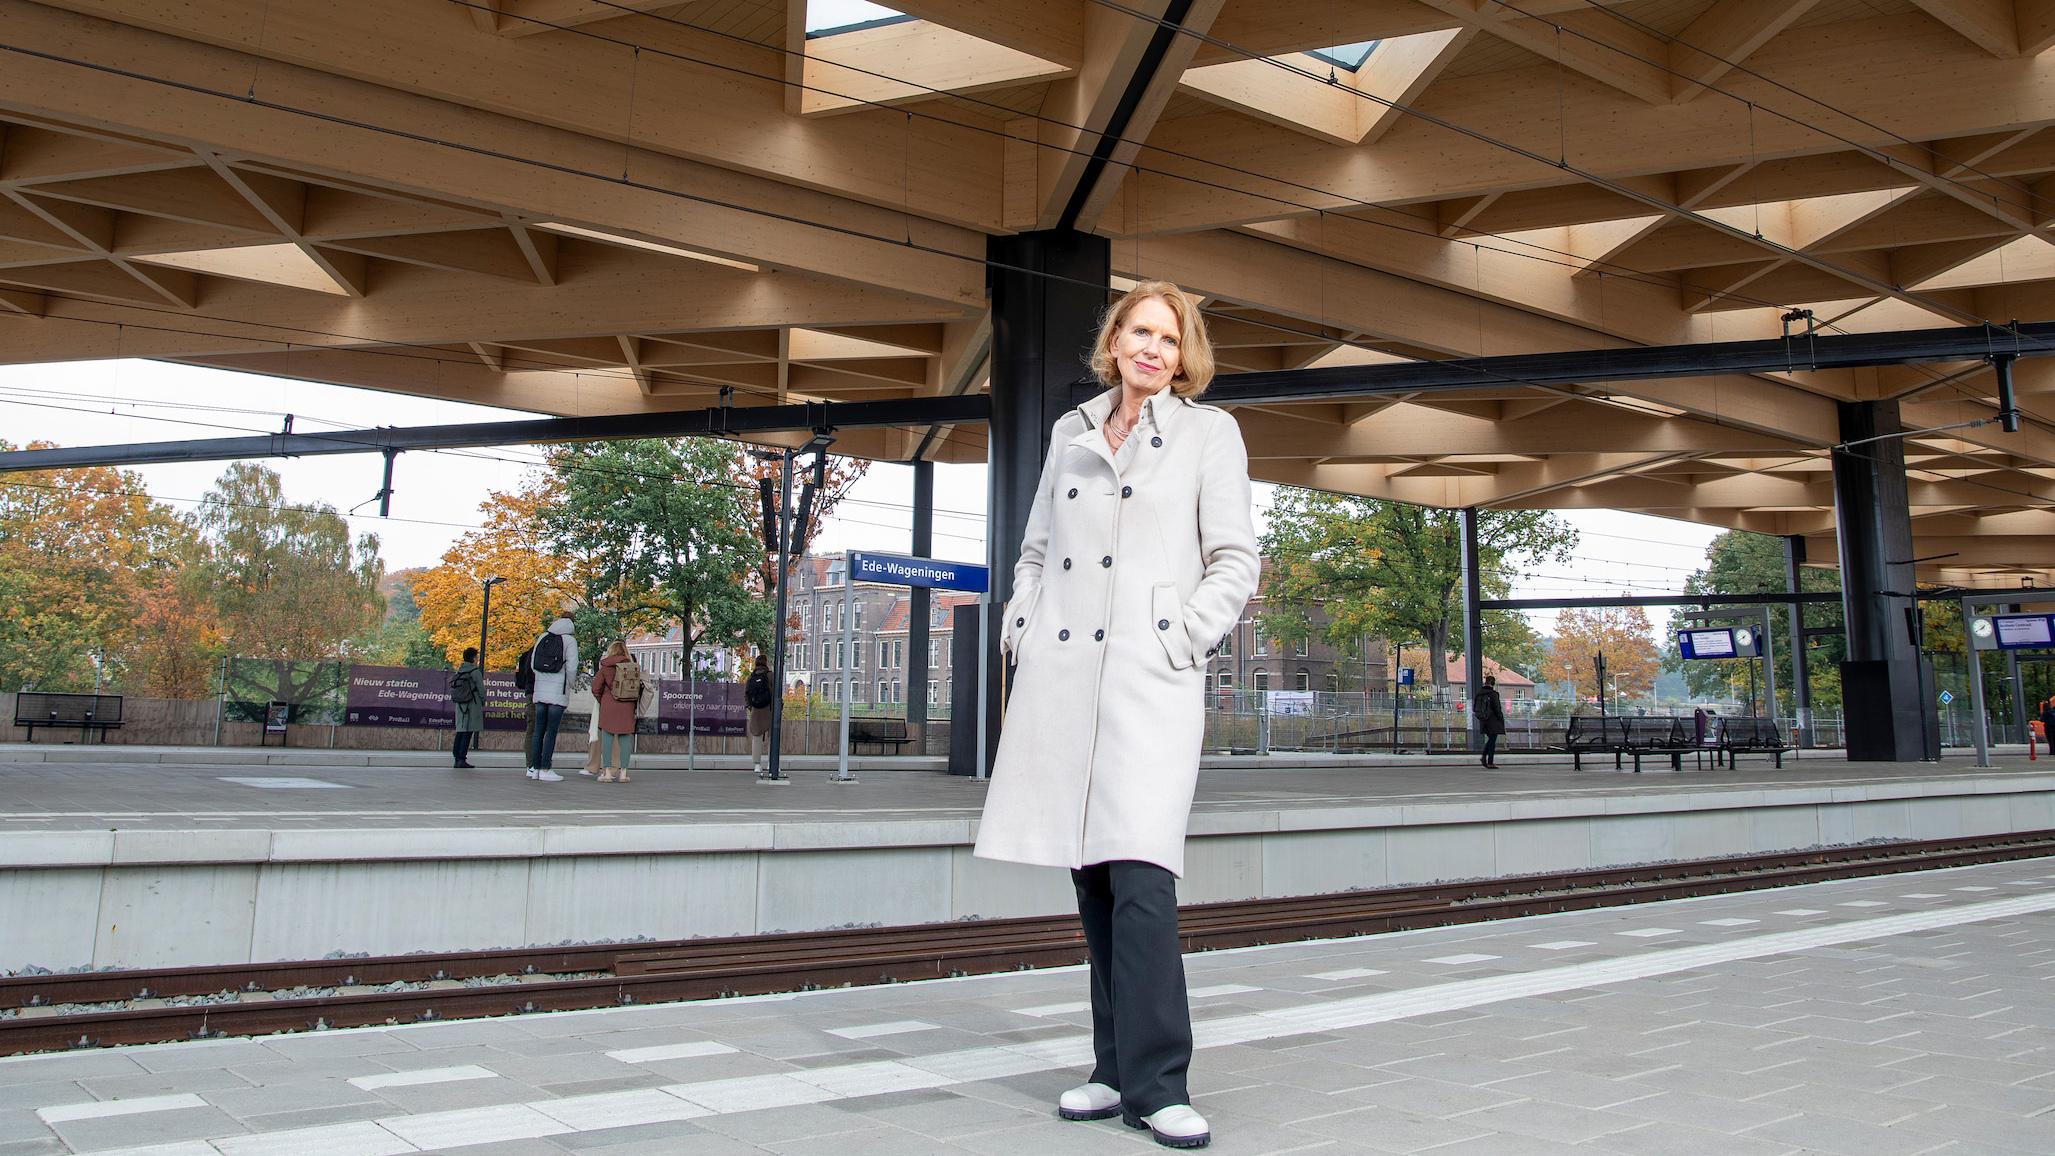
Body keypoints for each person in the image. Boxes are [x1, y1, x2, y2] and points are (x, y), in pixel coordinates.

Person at [973, 280, 1258, 1150]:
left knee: (1141, 877)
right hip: (1063, 680)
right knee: (1091, 877)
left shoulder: (1209, 433)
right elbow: (1032, 550)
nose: (1151, 350)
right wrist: (1021, 626)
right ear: (1114, 341)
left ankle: (1159, 1080)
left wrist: (1183, 636)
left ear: (1184, 355)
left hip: (1147, 678)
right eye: (1139, 332)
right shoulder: (1070, 433)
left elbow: (1235, 559)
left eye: (1168, 340)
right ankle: (1110, 1069)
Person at [526, 616, 577, 782]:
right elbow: (572, 667)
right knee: (551, 732)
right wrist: (570, 683)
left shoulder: (543, 637)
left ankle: (534, 768)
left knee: (538, 730)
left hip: (540, 691)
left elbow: (533, 664)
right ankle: (546, 768)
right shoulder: (569, 641)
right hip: (558, 692)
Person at [591, 640, 643, 783]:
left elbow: (595, 687)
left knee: (607, 737)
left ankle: (607, 772)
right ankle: (624, 773)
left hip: (609, 704)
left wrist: (603, 699)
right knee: (625, 739)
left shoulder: (605, 667)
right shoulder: (632, 667)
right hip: (627, 705)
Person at [449, 647, 484, 768]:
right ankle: (462, 758)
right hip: (472, 704)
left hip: (460, 705)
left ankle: (456, 757)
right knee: (468, 731)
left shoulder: (459, 671)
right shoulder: (475, 672)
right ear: (474, 658)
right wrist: (482, 701)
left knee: (460, 731)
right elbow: (481, 689)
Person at [745, 652, 775, 777]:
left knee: (757, 737)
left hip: (756, 710)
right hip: (769, 710)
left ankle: (757, 764)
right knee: (772, 737)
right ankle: (771, 762)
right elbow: (775, 692)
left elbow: (746, 694)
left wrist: (750, 707)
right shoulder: (770, 676)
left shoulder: (751, 677)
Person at [1475, 674, 1505, 769]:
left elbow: (1475, 707)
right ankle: (1490, 761)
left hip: (1483, 719)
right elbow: (1497, 708)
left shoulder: (1479, 693)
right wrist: (1501, 718)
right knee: (1492, 741)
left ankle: (1484, 757)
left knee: (1490, 739)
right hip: (1493, 720)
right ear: (1493, 683)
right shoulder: (1493, 694)